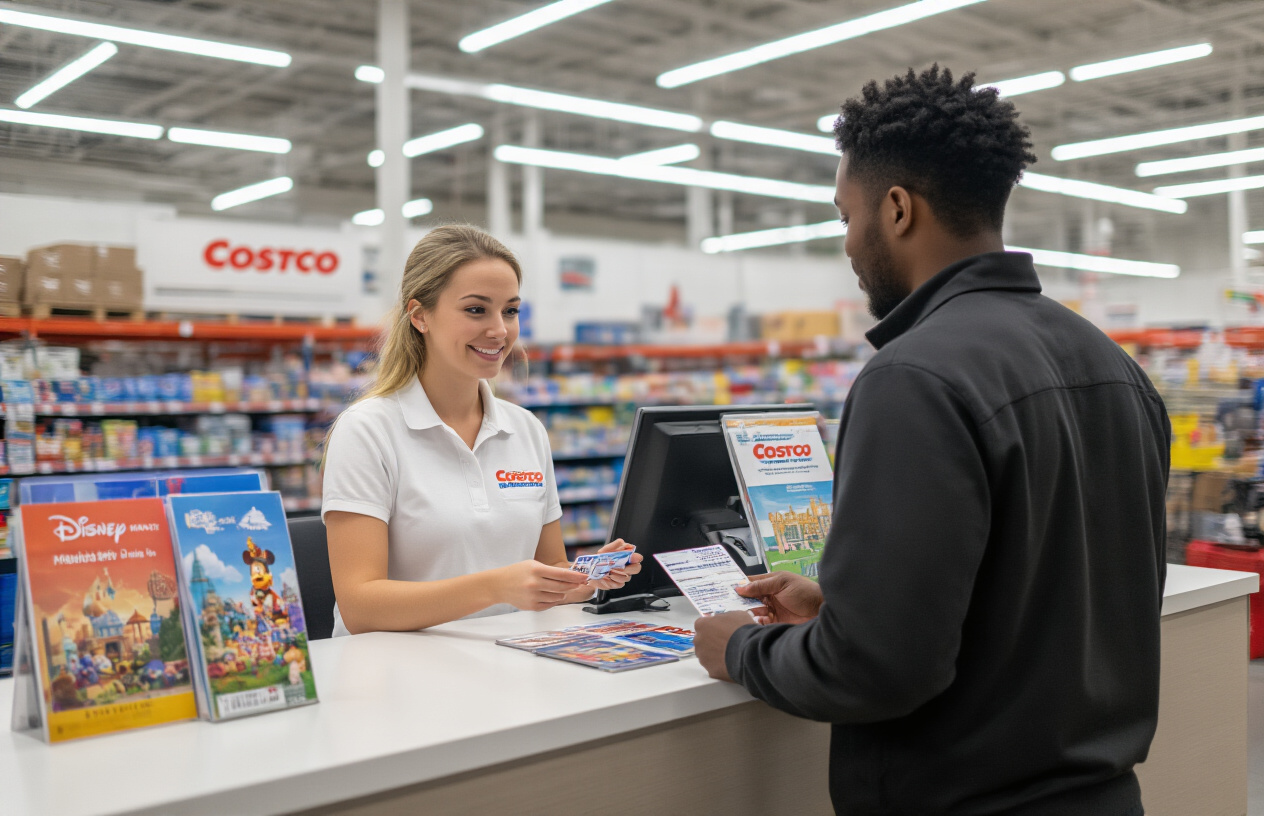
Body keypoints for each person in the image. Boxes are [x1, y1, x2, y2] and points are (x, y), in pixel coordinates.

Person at [695, 66, 1169, 816]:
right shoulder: (1113, 367)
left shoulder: (914, 377)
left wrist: (738, 648)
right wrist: (848, 602)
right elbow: (1045, 597)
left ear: (897, 209)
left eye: (846, 216)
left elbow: (874, 672)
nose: (848, 244)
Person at [322, 224, 640, 635]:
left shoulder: (525, 429)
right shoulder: (367, 430)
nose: (500, 330)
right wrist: (496, 587)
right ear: (420, 316)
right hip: (394, 674)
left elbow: (550, 570)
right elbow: (360, 606)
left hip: (505, 660)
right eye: (476, 310)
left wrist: (587, 576)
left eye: (510, 310)